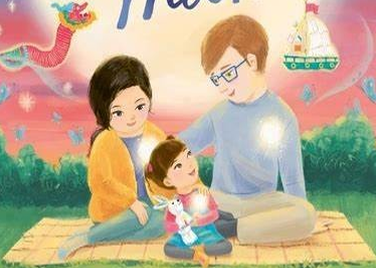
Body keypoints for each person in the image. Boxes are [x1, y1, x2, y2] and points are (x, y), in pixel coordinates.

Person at [179, 15, 315, 244]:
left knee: (306, 214)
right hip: (219, 202)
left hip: (263, 204)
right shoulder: (218, 114)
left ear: (251, 62)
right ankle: (230, 226)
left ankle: (228, 229)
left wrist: (294, 216)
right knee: (193, 203)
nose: (222, 86)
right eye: (216, 79)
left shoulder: (284, 116)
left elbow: (293, 182)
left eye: (228, 73)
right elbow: (179, 147)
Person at [58, 55, 171, 260]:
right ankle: (88, 237)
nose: (131, 118)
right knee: (140, 217)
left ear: (148, 100)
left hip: (151, 208)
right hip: (115, 212)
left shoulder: (155, 134)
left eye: (139, 107)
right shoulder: (105, 141)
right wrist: (131, 202)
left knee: (161, 223)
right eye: (118, 112)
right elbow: (101, 182)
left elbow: (171, 166)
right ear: (104, 112)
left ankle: (109, 238)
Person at [146, 137, 232, 267]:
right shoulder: (174, 204)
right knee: (168, 249)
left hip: (205, 232)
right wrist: (180, 224)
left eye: (188, 155)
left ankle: (201, 249)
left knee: (226, 246)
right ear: (168, 182)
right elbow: (168, 225)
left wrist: (200, 220)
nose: (190, 164)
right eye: (178, 166)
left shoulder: (202, 193)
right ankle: (195, 254)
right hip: (184, 236)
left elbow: (214, 214)